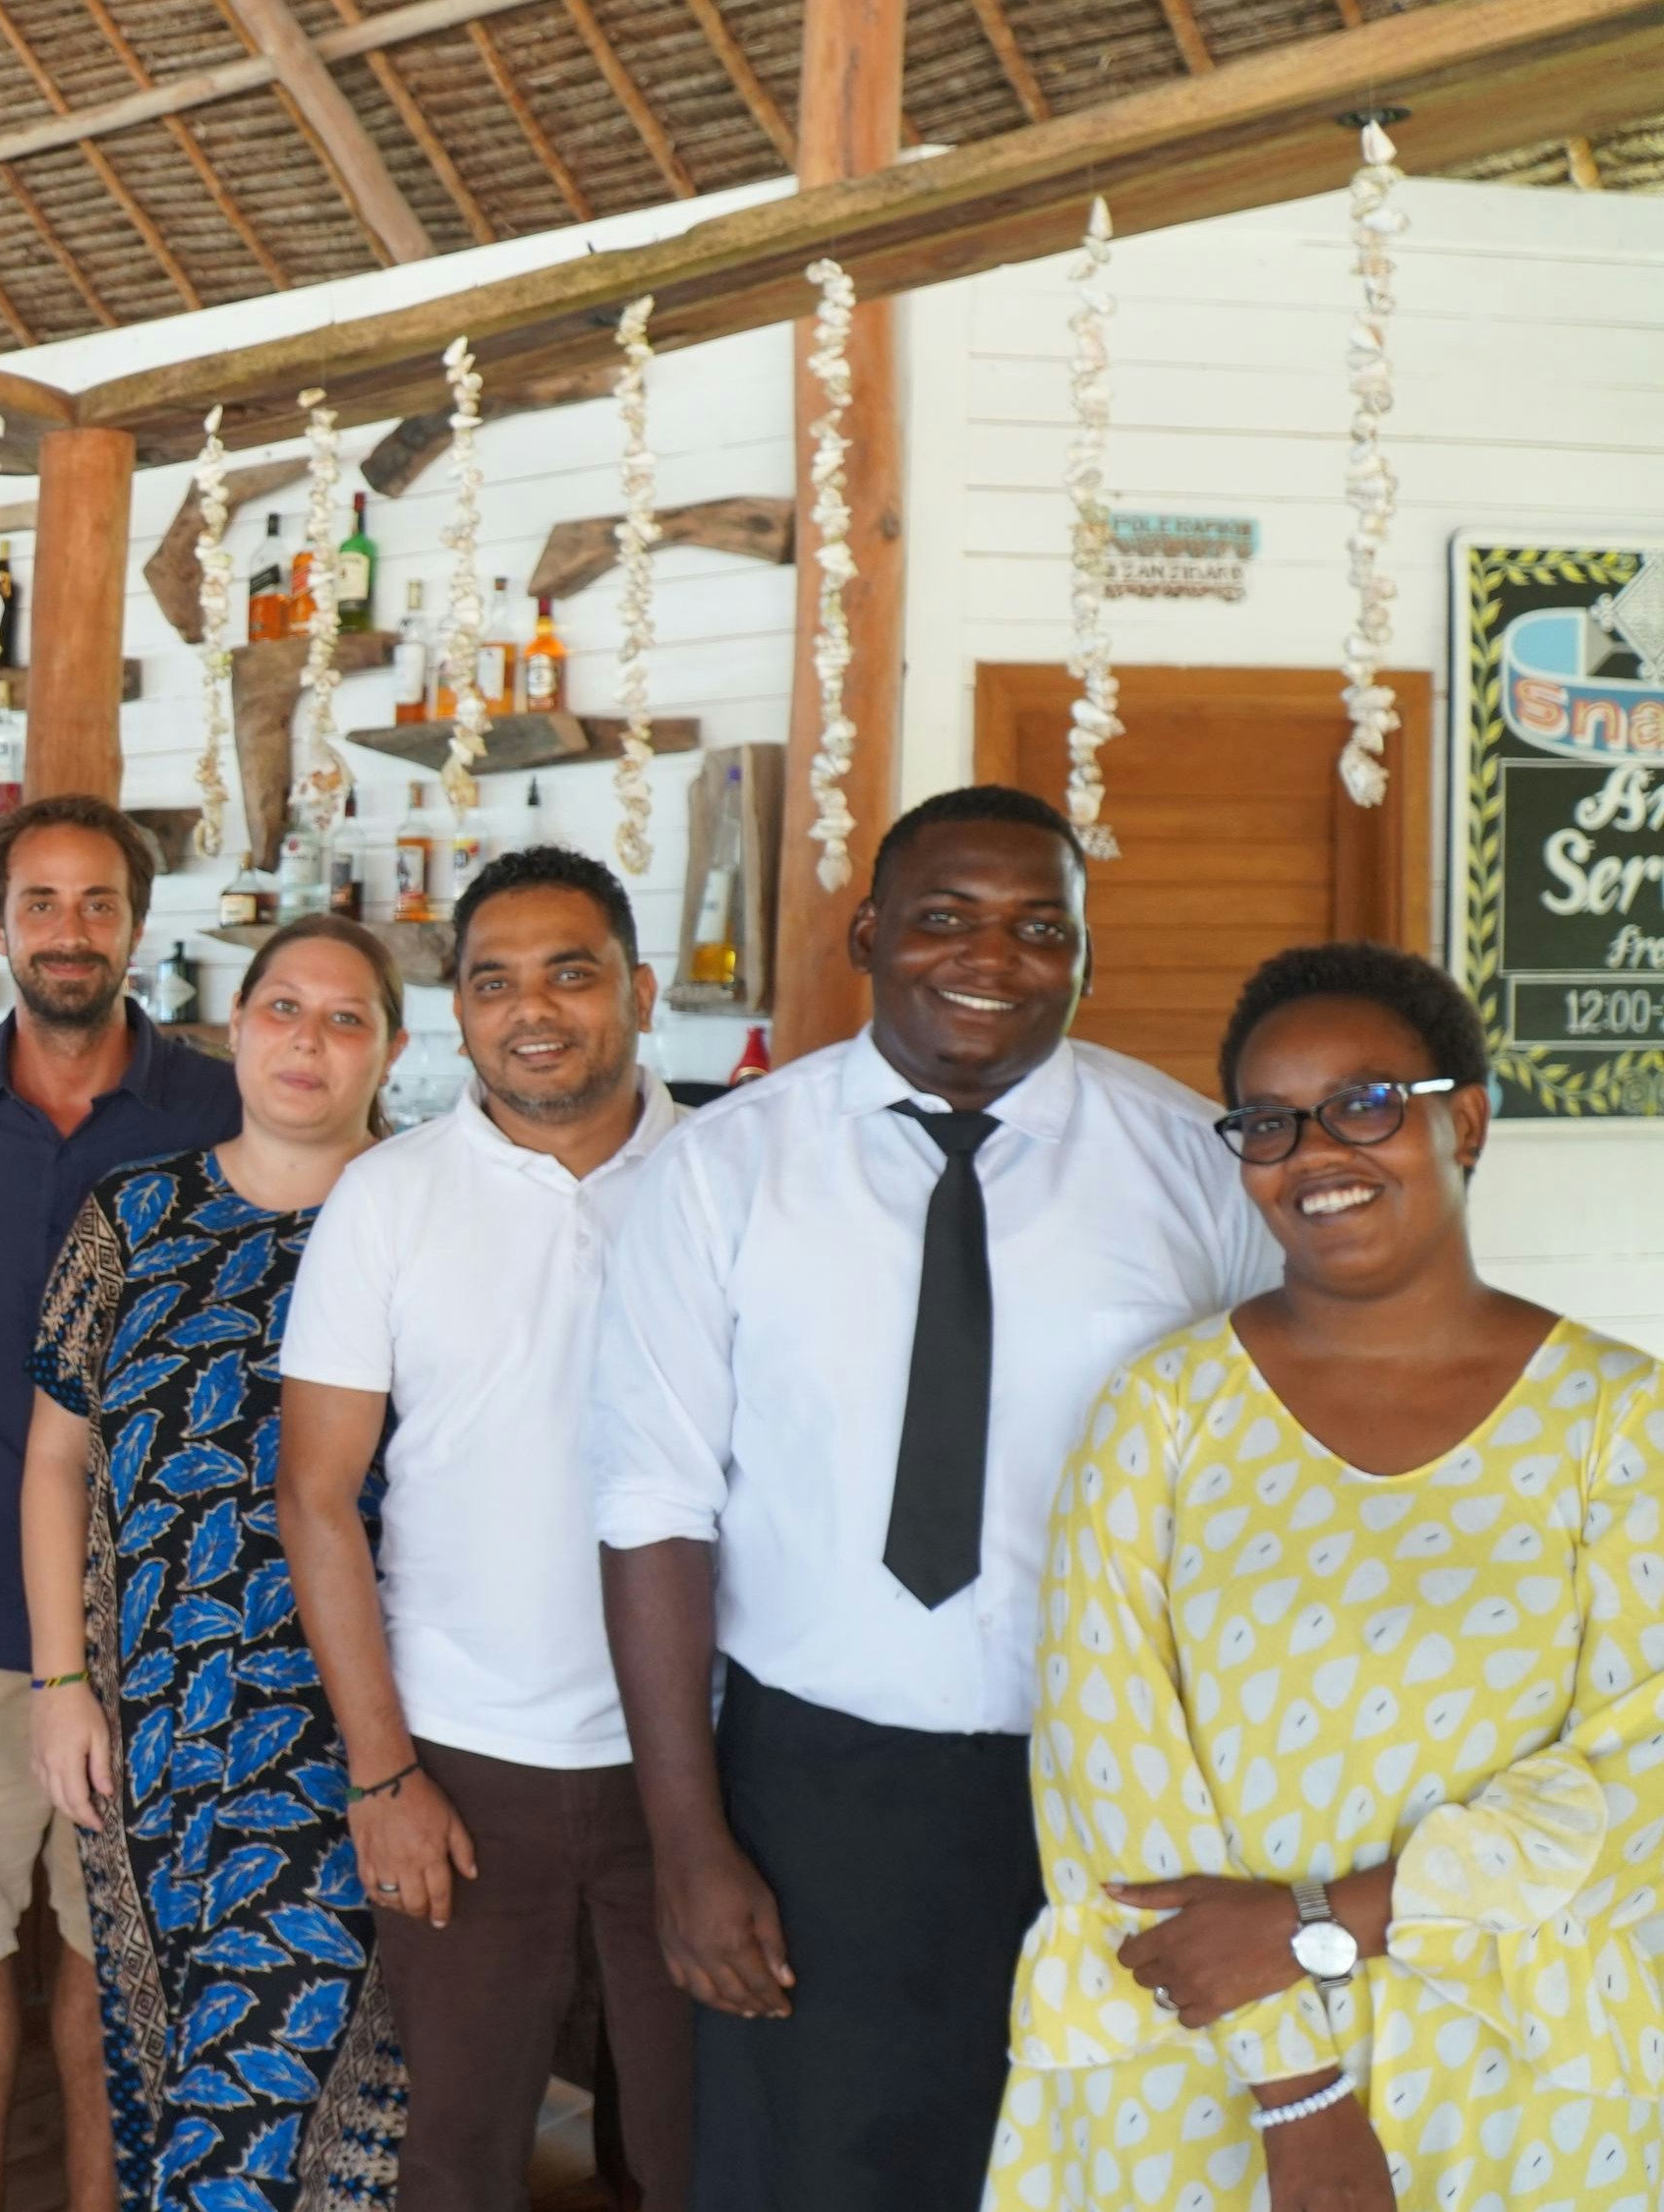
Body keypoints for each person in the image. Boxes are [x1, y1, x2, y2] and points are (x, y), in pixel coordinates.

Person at [588, 785, 1277, 2212]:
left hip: (1114, 1779)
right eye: (947, 918)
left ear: (1085, 952)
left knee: (1090, 2154)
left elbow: (1271, 1491)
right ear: (869, 932)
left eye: (1042, 927)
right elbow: (655, 1507)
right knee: (818, 2165)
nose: (993, 956)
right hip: (815, 1785)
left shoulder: (1195, 1169)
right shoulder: (727, 1168)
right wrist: (688, 1838)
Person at [991, 943, 1664, 2211]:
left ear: (1462, 1118)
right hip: (1193, 2045)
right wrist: (1295, 2085)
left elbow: (1646, 1766)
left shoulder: (1624, 1420)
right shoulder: (1161, 1410)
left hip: (1523, 2053)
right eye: (1269, 1123)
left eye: (1364, 1103)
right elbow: (1109, 1754)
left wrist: (1331, 1917)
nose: (1317, 1153)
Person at [277, 849, 693, 2211]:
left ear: (638, 987)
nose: (533, 1009)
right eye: (492, 980)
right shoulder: (389, 1196)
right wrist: (383, 1770)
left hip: (696, 1756)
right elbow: (318, 1493)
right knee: (457, 2154)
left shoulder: (727, 1175)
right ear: (452, 1012)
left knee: (697, 2152)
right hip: (461, 1760)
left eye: (571, 972)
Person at [0, 792, 239, 2212]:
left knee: (115, 1951)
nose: (70, 931)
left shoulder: (219, 1102)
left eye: (98, 904)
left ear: (139, 926)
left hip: (155, 1614)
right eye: (41, 903)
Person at [23, 914, 415, 2211]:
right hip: (161, 1732)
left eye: (346, 1016)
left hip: (352, 1734)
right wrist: (60, 1683)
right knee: (184, 2068)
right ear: (232, 1029)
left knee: (272, 2102)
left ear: (393, 1049)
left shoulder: (430, 1219)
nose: (309, 1040)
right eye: (283, 1008)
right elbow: (54, 1465)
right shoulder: (134, 1217)